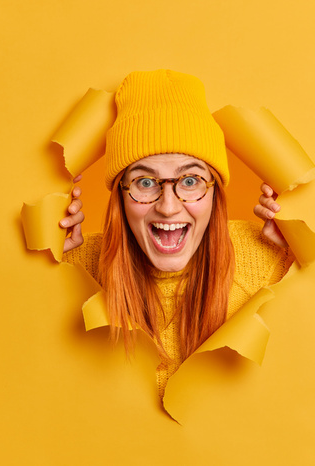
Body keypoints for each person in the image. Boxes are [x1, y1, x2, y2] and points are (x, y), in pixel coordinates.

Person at [60, 70, 294, 398]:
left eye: (189, 181)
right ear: (121, 197)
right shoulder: (79, 267)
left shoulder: (265, 257)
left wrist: (292, 258)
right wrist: (55, 268)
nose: (168, 207)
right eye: (145, 182)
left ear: (215, 192)